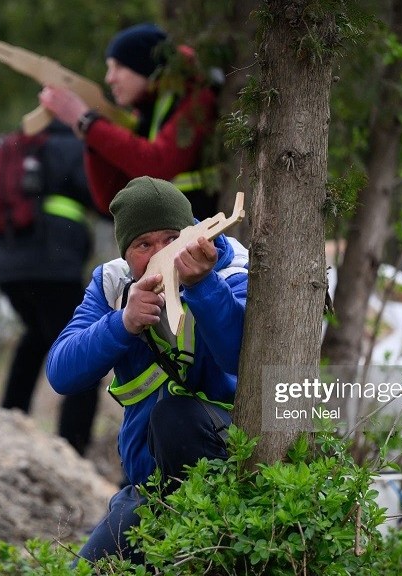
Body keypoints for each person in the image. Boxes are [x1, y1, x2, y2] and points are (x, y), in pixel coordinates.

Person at [46, 176, 249, 563]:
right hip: (149, 488)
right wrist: (122, 322)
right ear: (126, 255)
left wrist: (203, 286)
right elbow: (61, 372)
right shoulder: (112, 283)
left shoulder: (231, 268)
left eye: (172, 238)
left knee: (174, 415)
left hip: (226, 472)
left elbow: (238, 357)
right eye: (144, 245)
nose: (163, 253)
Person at [0, 120, 102, 456]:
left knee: (37, 334)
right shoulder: (73, 148)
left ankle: (8, 423)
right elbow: (103, 197)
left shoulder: (20, 147)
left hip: (6, 267)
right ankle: (72, 450)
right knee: (84, 353)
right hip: (53, 267)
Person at [37, 23, 220, 219]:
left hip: (202, 230)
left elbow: (158, 164)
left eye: (119, 66)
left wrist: (88, 123)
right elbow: (111, 197)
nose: (110, 78)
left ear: (146, 66)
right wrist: (92, 136)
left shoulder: (197, 99)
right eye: (109, 68)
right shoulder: (146, 111)